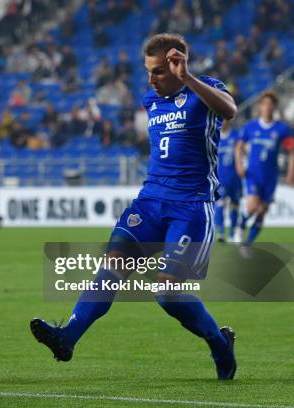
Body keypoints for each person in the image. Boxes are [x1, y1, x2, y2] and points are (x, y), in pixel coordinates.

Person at [30, 34, 238, 380]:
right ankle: (68, 336)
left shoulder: (205, 89)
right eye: (148, 71)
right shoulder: (150, 100)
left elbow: (229, 110)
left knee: (167, 293)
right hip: (150, 201)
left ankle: (220, 345)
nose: (151, 79)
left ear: (177, 65)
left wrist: (187, 78)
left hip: (190, 206)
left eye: (158, 72)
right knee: (111, 267)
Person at [235, 91, 294, 247]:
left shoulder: (282, 129)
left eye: (271, 104)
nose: (268, 107)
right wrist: (239, 164)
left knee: (262, 213)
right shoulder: (251, 126)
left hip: (271, 176)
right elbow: (239, 146)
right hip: (253, 173)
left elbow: (291, 151)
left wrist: (290, 173)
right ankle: (240, 228)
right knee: (253, 206)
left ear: (274, 107)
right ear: (260, 106)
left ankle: (247, 244)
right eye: (265, 104)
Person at [214, 120, 242, 242]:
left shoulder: (237, 135)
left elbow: (244, 151)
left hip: (235, 177)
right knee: (220, 203)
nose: (222, 122)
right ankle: (220, 232)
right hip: (221, 177)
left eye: (224, 119)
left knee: (234, 205)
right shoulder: (215, 136)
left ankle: (232, 234)